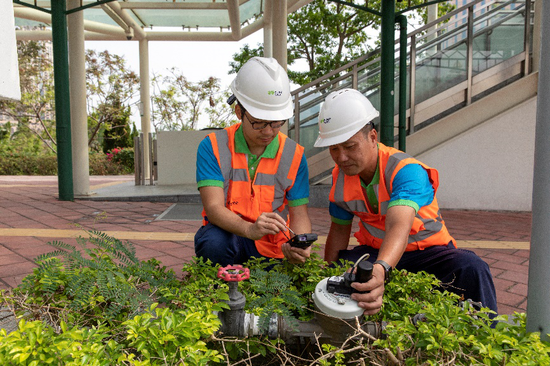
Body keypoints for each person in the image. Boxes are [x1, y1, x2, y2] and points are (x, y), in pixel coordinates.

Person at [314, 88, 498, 316]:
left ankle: (485, 333)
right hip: (376, 252)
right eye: (334, 148)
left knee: (471, 268)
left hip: (429, 254)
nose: (341, 157)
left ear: (372, 137)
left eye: (350, 146)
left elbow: (398, 225)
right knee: (343, 268)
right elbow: (339, 230)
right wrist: (325, 280)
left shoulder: (407, 170)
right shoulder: (338, 178)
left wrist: (381, 269)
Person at [194, 57, 312, 266]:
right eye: (259, 122)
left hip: (272, 244)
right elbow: (213, 207)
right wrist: (249, 230)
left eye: (277, 122)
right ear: (239, 112)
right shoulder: (213, 146)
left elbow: (299, 213)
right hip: (229, 233)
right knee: (213, 243)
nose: (269, 131)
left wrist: (300, 245)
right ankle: (219, 288)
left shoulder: (294, 154)